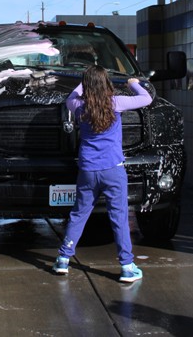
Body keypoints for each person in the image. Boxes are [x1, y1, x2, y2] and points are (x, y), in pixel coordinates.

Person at [52, 66, 152, 282]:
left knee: (79, 214)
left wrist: (85, 83)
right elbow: (146, 98)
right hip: (113, 170)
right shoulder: (116, 103)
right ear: (106, 83)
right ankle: (126, 266)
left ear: (87, 86)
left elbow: (72, 96)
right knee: (118, 217)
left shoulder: (79, 106)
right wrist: (132, 83)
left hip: (88, 169)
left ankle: (63, 259)